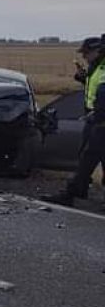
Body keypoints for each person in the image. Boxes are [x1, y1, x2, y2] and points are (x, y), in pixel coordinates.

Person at [43, 36, 105, 206]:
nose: (84, 56)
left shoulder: (103, 67)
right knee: (86, 158)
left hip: (100, 121)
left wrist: (98, 113)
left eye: (86, 53)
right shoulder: (96, 66)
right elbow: (94, 88)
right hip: (95, 120)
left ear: (97, 51)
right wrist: (83, 78)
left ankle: (73, 192)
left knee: (88, 158)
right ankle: (77, 190)